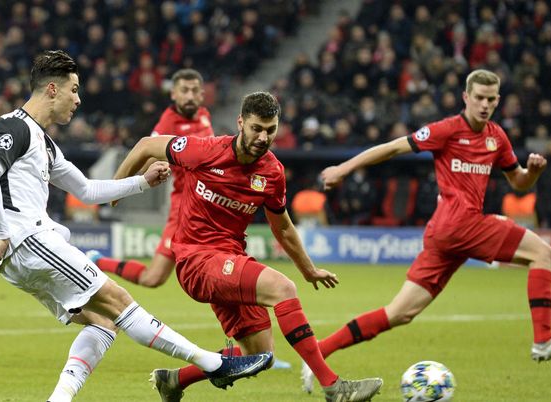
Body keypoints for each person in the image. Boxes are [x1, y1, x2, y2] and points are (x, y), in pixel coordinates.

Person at [0, 50, 272, 402]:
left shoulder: (44, 144)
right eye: (74, 89)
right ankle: (214, 364)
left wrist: (142, 182)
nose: (78, 99)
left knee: (104, 322)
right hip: (29, 240)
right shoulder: (14, 126)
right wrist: (3, 233)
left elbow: (86, 189)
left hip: (22, 256)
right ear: (52, 89)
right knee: (120, 301)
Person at [307, 69, 551, 393]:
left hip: (447, 234)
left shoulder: (497, 137)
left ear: (498, 100)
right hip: (459, 223)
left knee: (399, 313)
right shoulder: (446, 130)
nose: (484, 105)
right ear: (466, 98)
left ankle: (317, 353)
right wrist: (342, 169)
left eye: (490, 99)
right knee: (542, 253)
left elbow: (518, 181)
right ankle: (544, 340)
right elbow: (393, 148)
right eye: (478, 98)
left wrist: (533, 173)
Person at [112, 91, 383, 402]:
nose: (263, 137)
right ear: (241, 122)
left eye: (270, 130)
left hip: (229, 260)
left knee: (260, 354)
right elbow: (147, 145)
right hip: (196, 261)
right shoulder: (204, 150)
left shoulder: (272, 173)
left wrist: (309, 270)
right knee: (283, 288)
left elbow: (281, 226)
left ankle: (174, 380)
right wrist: (118, 187)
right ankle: (334, 387)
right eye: (256, 128)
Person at [87, 68, 214, 287]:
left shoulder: (203, 115)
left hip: (209, 207)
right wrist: (126, 183)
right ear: (173, 94)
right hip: (185, 210)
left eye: (195, 91)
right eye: (184, 90)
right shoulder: (168, 122)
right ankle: (97, 262)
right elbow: (146, 153)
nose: (190, 95)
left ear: (202, 95)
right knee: (153, 278)